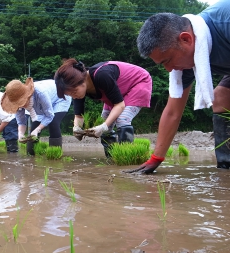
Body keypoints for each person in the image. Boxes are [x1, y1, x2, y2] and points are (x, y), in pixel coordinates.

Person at [132, 0, 230, 173]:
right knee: (221, 98)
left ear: (186, 39)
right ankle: (226, 168)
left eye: (167, 61)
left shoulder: (225, 24)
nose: (169, 69)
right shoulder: (187, 59)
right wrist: (155, 159)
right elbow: (172, 112)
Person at [54, 58, 152, 157]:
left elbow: (119, 105)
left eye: (74, 92)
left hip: (138, 82)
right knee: (105, 120)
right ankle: (112, 157)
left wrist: (103, 126)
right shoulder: (78, 90)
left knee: (122, 119)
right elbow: (79, 116)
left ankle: (127, 157)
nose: (74, 96)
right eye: (69, 94)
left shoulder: (102, 75)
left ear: (82, 80)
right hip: (117, 92)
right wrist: (77, 128)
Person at [0, 77, 72, 155]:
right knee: (34, 128)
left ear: (27, 95)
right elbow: (21, 122)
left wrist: (38, 130)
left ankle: (55, 155)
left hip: (60, 97)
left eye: (21, 102)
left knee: (53, 123)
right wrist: (20, 134)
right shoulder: (17, 104)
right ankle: (31, 155)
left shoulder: (40, 93)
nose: (21, 105)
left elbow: (49, 116)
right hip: (41, 107)